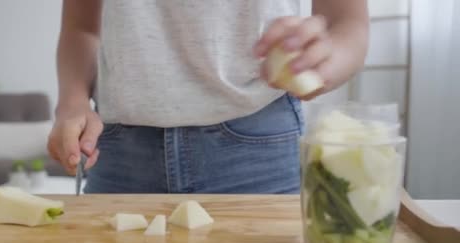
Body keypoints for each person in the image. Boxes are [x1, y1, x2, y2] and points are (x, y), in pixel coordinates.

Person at [48, 0, 368, 194]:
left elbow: (347, 21)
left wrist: (321, 64)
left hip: (259, 151)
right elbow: (82, 28)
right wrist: (72, 104)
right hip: (120, 154)